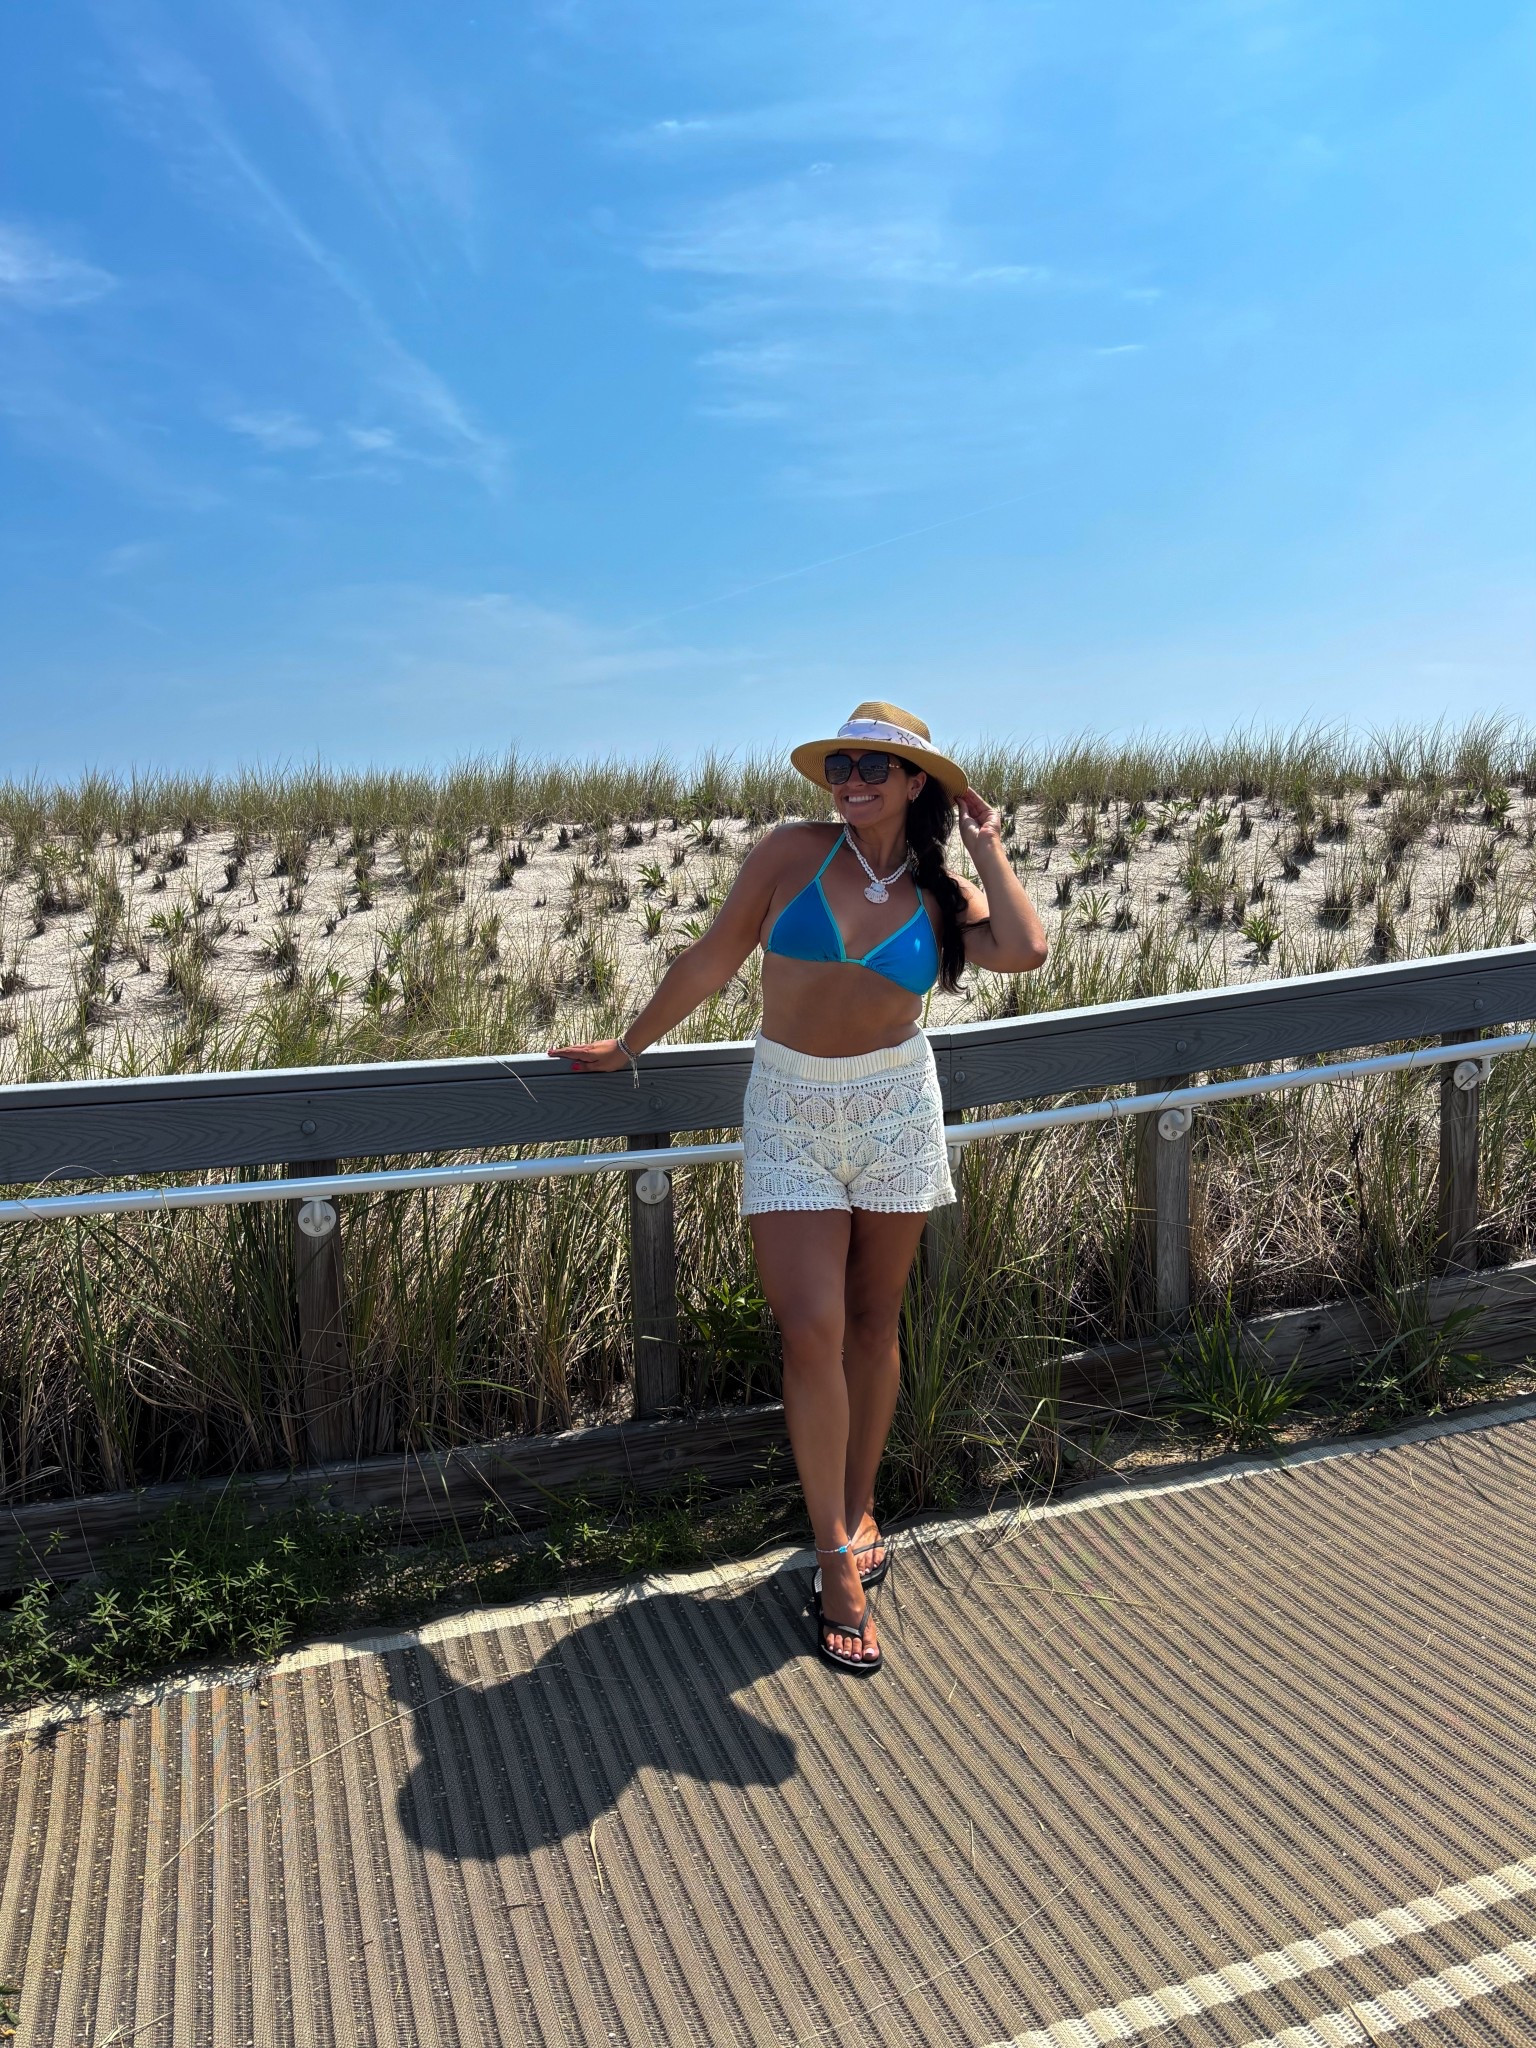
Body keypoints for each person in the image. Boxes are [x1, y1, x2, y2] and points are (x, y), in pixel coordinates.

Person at [550, 703, 1048, 1675]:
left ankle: (858, 1507)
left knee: (874, 1321)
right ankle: (836, 1561)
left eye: (876, 764)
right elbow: (714, 954)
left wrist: (988, 846)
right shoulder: (792, 851)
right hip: (788, 1106)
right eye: (843, 762)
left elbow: (1024, 949)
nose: (852, 777)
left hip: (897, 1105)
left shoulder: (942, 895)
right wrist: (629, 1044)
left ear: (916, 783)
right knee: (811, 1322)